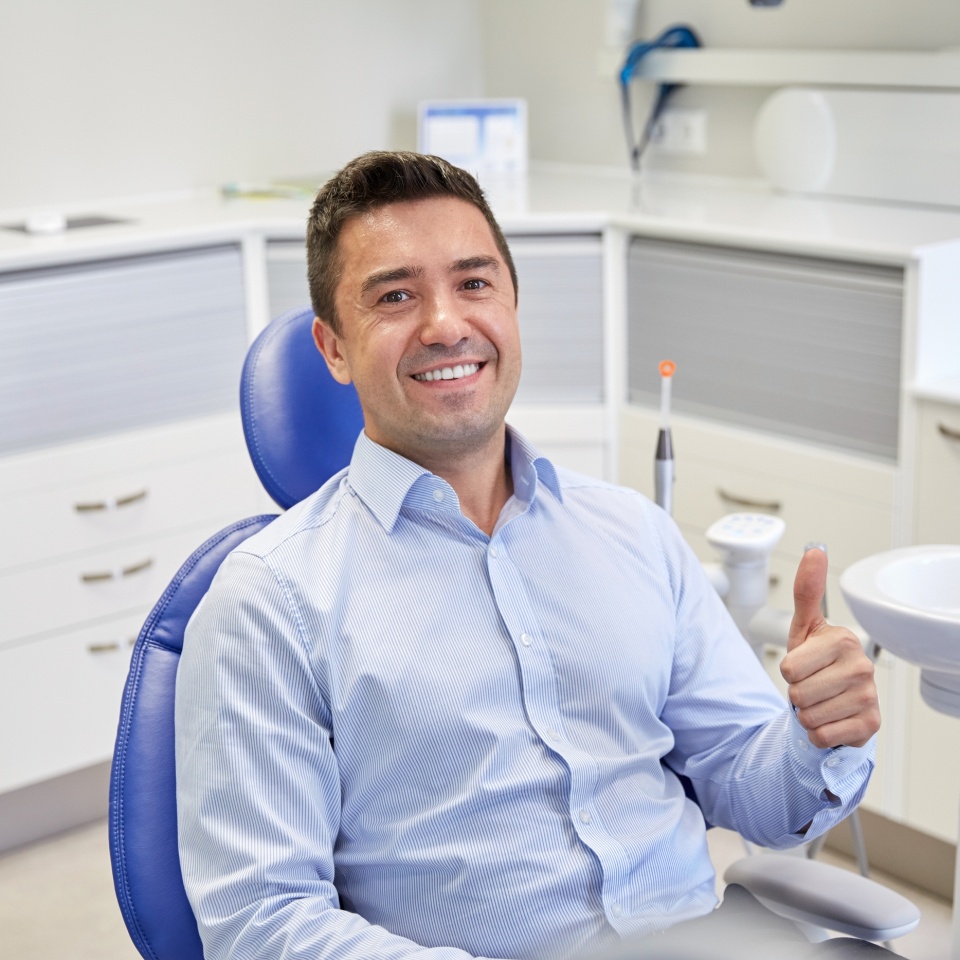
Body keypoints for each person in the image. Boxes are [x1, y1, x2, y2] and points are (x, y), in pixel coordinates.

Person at [175, 151, 882, 960]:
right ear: (333, 349)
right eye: (396, 296)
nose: (446, 324)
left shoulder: (632, 532)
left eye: (474, 284)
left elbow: (743, 779)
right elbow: (262, 922)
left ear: (513, 307)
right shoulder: (269, 601)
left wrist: (815, 737)